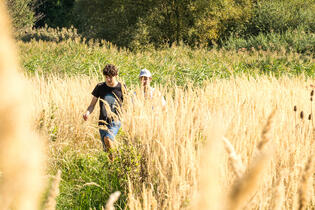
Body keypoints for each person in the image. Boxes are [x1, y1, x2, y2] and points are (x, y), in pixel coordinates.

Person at [83, 64, 125, 154]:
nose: (108, 80)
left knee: (108, 138)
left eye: (110, 77)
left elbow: (128, 104)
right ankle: (112, 165)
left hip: (116, 120)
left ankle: (115, 159)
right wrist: (87, 113)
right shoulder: (100, 87)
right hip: (102, 121)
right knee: (106, 150)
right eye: (106, 77)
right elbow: (92, 105)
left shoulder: (121, 87)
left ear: (116, 76)